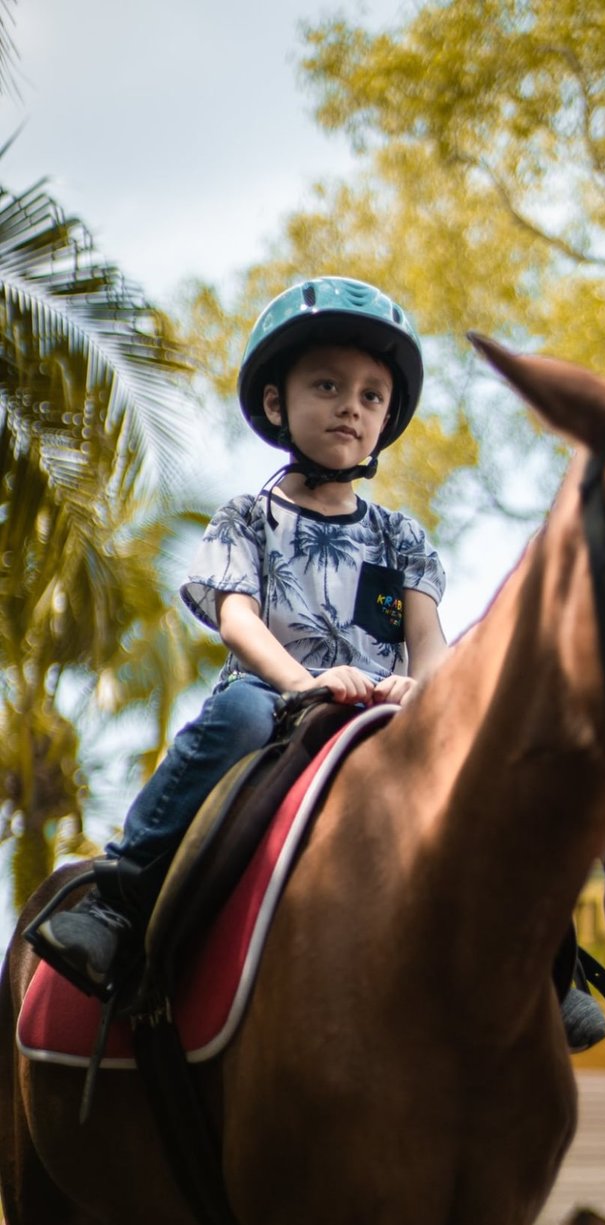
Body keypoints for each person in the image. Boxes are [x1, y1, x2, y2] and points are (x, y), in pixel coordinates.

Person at [29, 276, 448, 995]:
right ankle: (121, 893)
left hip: (381, 714)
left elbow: (429, 637)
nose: (351, 404)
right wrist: (303, 681)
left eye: (371, 395)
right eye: (327, 385)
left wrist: (424, 686)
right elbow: (237, 617)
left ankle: (540, 955)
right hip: (277, 706)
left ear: (386, 416)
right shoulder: (247, 517)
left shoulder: (400, 536)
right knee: (239, 711)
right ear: (277, 402)